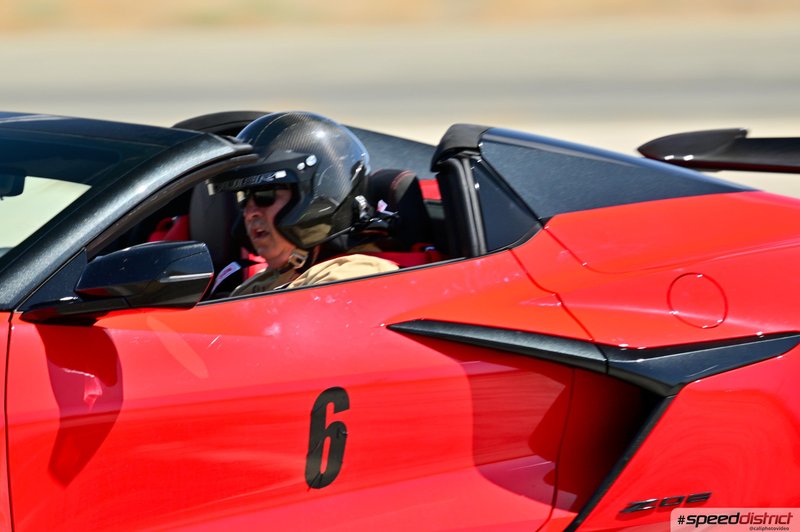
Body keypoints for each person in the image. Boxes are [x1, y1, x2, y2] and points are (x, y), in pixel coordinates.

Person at [212, 112, 399, 296]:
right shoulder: (272, 278)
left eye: (265, 195)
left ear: (317, 196)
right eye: (244, 198)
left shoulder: (357, 275)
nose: (250, 213)